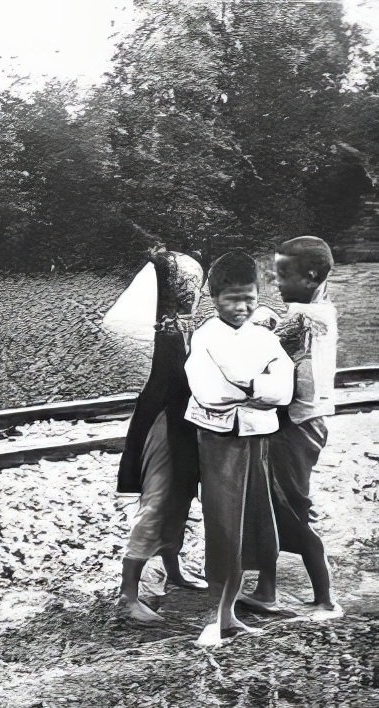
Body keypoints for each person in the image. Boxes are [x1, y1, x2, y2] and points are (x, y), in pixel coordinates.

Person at [184, 250, 294, 645]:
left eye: (249, 297)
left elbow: (283, 389)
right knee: (224, 523)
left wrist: (250, 387)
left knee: (256, 519)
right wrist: (256, 384)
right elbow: (210, 393)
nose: (242, 306)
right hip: (218, 438)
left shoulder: (263, 335)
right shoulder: (206, 336)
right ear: (214, 298)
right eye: (232, 298)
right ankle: (216, 615)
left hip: (257, 436)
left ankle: (234, 611)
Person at [240, 236, 341, 617]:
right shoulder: (308, 312)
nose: (275, 281)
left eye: (283, 274)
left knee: (296, 507)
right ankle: (267, 589)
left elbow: (271, 355)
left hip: (298, 425)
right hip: (286, 422)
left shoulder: (310, 316)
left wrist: (261, 326)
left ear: (311, 275)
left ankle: (326, 599)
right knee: (268, 502)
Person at [116, 248, 209, 622]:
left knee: (180, 497)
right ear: (186, 291)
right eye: (196, 287)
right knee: (158, 503)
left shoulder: (177, 328)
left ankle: (172, 568)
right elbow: (185, 382)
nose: (200, 294)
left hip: (178, 426)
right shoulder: (171, 332)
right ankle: (127, 597)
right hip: (166, 429)